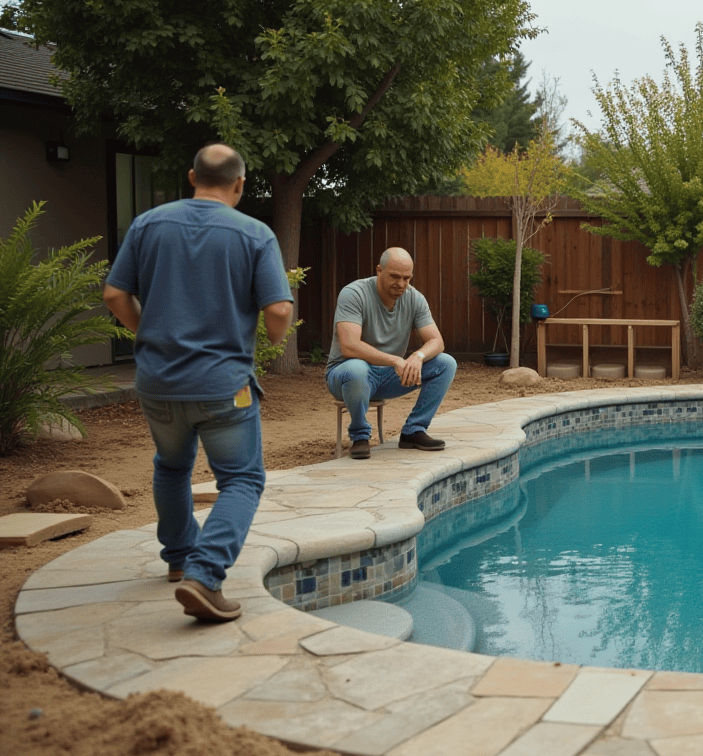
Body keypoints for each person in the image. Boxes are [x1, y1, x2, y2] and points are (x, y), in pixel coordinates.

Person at [103, 143, 295, 623]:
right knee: (243, 478)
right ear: (240, 184)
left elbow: (114, 292)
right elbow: (278, 310)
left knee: (171, 467)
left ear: (192, 176)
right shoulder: (254, 233)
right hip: (222, 385)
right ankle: (205, 575)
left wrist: (144, 331)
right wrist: (273, 338)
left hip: (157, 382)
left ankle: (178, 560)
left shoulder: (148, 224)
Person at [325, 247, 455, 458]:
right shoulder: (354, 293)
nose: (401, 284)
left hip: (388, 376)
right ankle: (360, 435)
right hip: (345, 375)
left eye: (407, 278)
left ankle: (414, 431)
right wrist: (395, 360)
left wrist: (417, 356)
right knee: (357, 368)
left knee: (446, 363)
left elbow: (436, 341)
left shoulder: (415, 298)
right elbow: (349, 346)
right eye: (395, 276)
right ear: (379, 270)